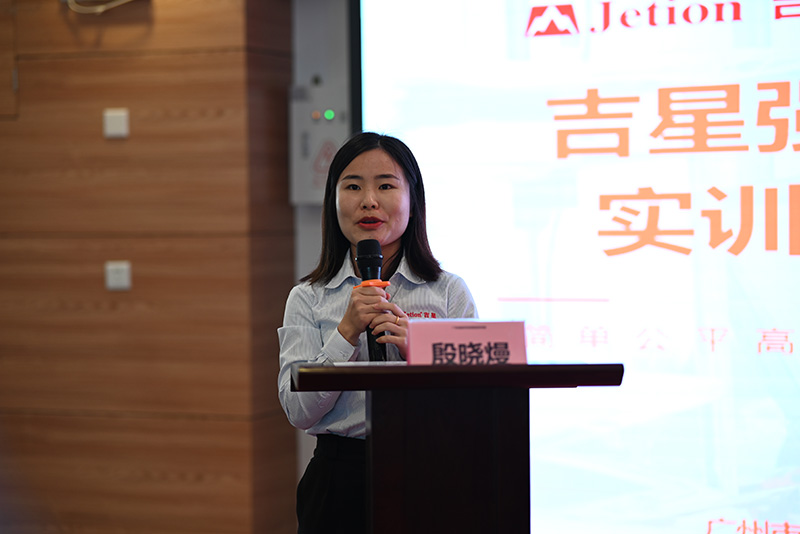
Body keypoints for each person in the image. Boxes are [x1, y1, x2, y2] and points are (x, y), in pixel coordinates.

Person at [277, 132, 477, 533]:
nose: (369, 200)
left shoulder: (448, 292)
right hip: (339, 478)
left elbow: (475, 407)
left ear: (412, 199)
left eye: (386, 185)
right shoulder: (308, 297)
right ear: (334, 201)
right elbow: (298, 412)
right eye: (352, 186)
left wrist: (420, 351)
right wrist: (345, 334)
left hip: (430, 470)